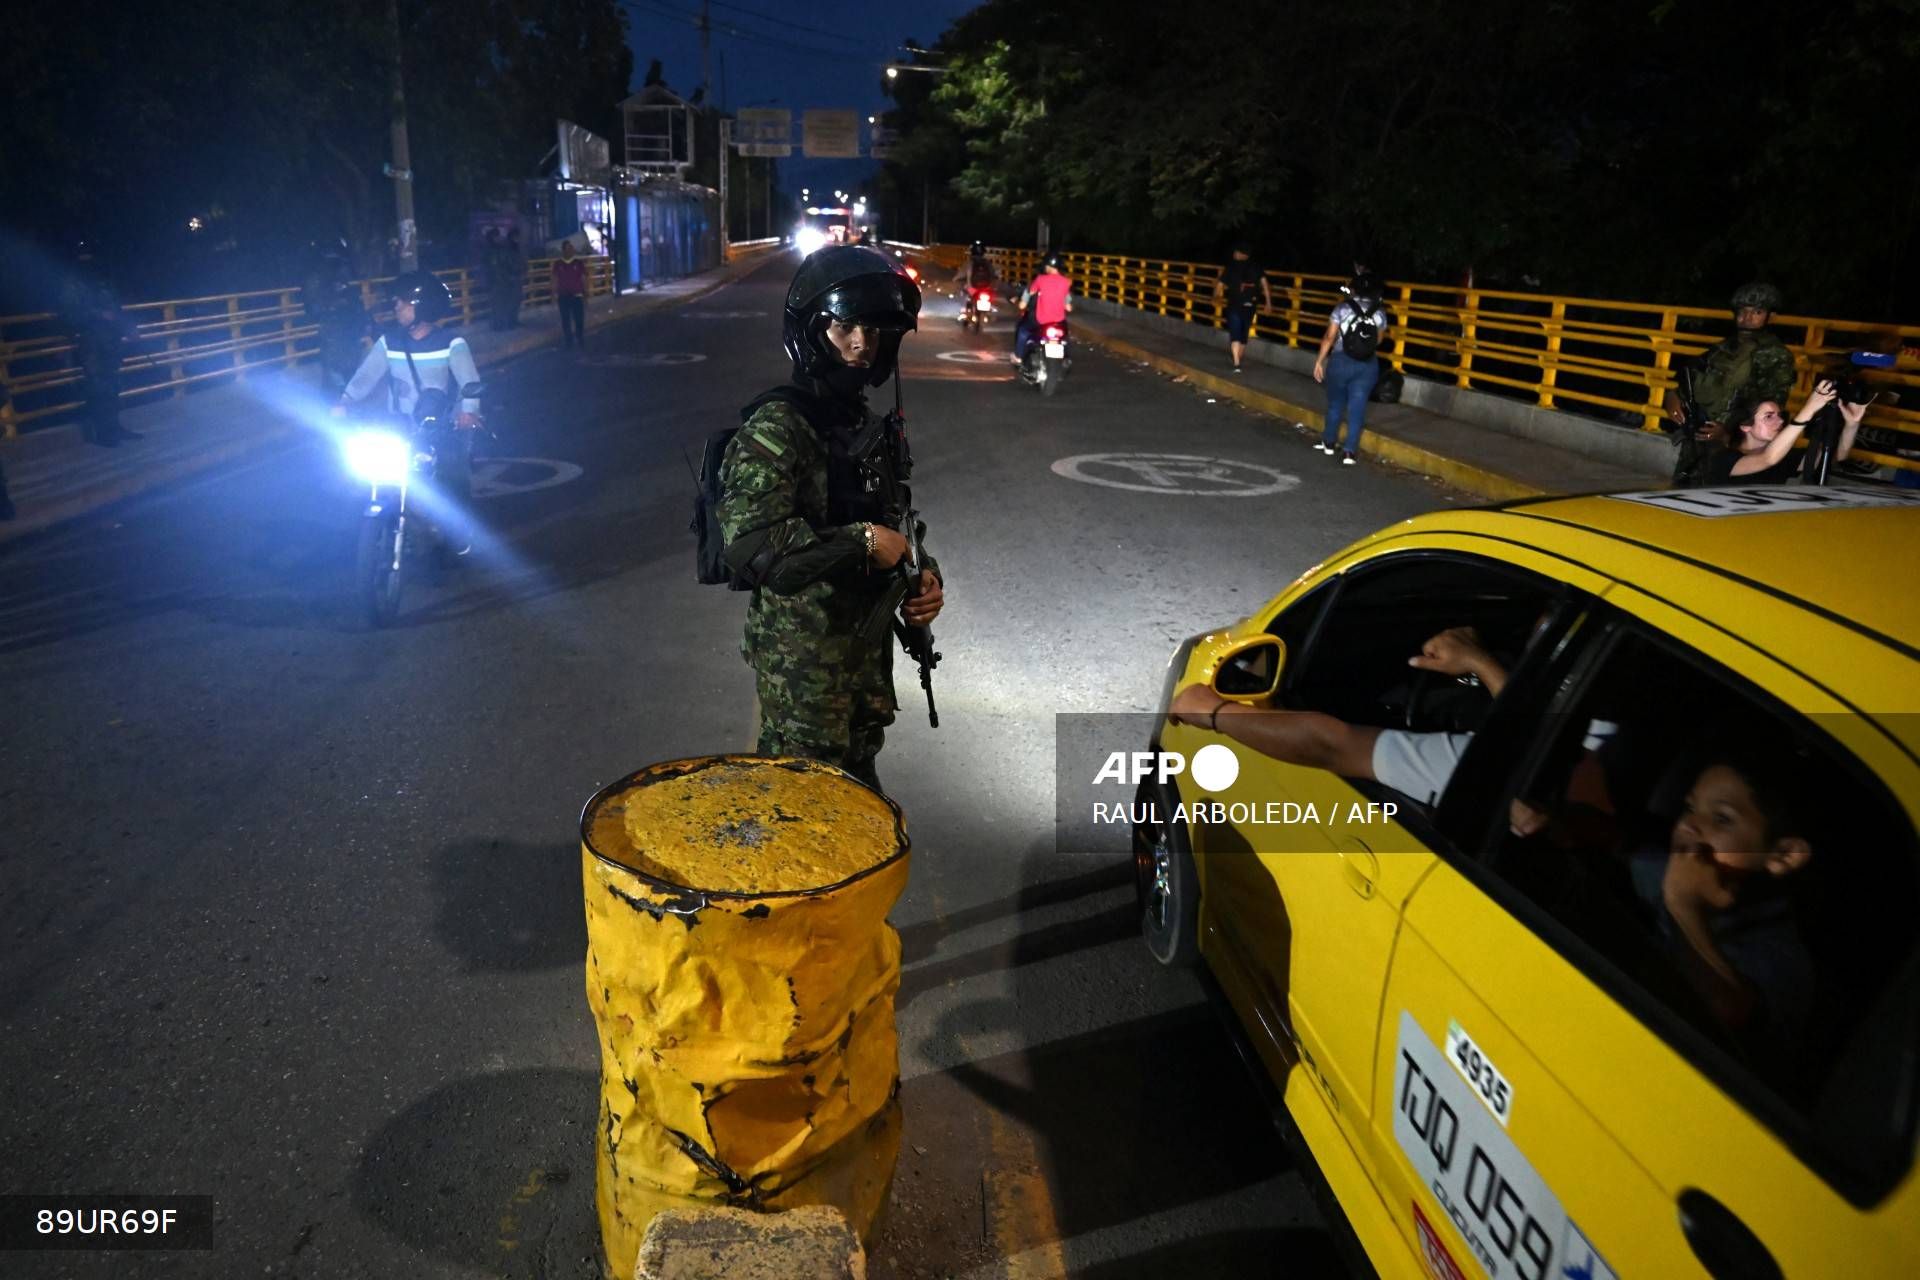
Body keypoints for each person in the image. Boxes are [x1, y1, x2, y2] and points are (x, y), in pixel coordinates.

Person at [716, 245, 946, 793]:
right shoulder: (778, 427)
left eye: (872, 330)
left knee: (860, 815)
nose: (862, 342)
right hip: (805, 679)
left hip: (862, 673)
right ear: (813, 332)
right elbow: (755, 549)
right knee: (796, 816)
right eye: (845, 327)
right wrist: (862, 541)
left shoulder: (862, 425)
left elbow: (894, 522)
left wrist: (923, 577)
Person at [1169, 623, 1511, 807]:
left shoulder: (1494, 767)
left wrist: (1212, 711)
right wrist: (1484, 666)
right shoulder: (1527, 765)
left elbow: (1331, 745)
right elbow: (1527, 728)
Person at [1628, 753, 1815, 1044]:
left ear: (1783, 855)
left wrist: (1684, 906)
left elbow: (1725, 1015)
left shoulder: (1782, 957)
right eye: (1690, 807)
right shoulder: (1655, 870)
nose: (1688, 824)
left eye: (1722, 819)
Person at [332, 272, 482, 554]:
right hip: (399, 426)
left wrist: (468, 412)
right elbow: (365, 377)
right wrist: (345, 402)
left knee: (452, 473)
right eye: (397, 302)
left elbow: (469, 384)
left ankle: (460, 530)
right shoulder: (389, 342)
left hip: (439, 429)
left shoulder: (452, 343)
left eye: (404, 303)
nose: (397, 308)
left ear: (424, 306)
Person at [1665, 282, 1797, 486]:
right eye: (1742, 311)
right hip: (1701, 434)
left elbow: (1771, 409)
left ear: (1770, 317)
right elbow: (1691, 377)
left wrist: (1728, 433)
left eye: (1757, 312)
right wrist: (1673, 396)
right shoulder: (1723, 348)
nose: (1747, 317)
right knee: (1684, 487)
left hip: (1737, 446)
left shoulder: (1775, 355)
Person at [1695, 380, 1865, 486]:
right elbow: (1768, 459)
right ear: (1746, 426)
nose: (1781, 421)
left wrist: (1852, 424)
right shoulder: (1723, 458)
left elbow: (1837, 456)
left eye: (1779, 415)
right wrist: (1809, 408)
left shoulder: (1783, 456)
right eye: (1769, 417)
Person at [59, 240, 134, 448]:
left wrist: (126, 326)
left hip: (110, 340)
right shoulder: (73, 284)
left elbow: (116, 307)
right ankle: (102, 432)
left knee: (113, 385)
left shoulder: (103, 281)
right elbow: (69, 314)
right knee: (97, 387)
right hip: (90, 342)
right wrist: (99, 314)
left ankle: (115, 427)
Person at [1313, 273, 1389, 465]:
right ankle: (1349, 452)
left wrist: (1319, 361)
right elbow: (1378, 340)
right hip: (1367, 365)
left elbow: (1329, 337)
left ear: (1354, 289)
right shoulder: (1380, 312)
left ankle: (1329, 443)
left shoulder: (1343, 308)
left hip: (1341, 361)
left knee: (1335, 404)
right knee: (1358, 408)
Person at [1213, 244, 1272, 373]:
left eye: (1235, 252)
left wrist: (1216, 296)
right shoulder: (1257, 267)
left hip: (1234, 304)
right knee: (1244, 333)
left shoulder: (1231, 267)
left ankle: (1236, 362)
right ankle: (1237, 359)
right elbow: (1265, 285)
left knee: (1235, 333)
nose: (1234, 254)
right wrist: (1268, 303)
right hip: (1250, 305)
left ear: (1240, 254)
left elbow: (1219, 285)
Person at [1012, 252, 1073, 367]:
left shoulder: (1040, 279)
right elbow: (1068, 307)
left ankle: (1018, 357)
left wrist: (1022, 303)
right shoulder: (1066, 282)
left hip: (1041, 320)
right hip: (1059, 322)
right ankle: (1066, 358)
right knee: (1065, 336)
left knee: (1023, 331)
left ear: (1047, 266)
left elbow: (1029, 292)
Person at [553, 242, 589, 350]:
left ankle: (580, 338)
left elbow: (583, 278)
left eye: (572, 248)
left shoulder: (578, 263)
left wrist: (585, 293)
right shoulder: (558, 264)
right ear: (563, 250)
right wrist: (554, 293)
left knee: (579, 319)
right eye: (569, 248)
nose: (571, 250)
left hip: (577, 295)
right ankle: (568, 341)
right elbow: (555, 279)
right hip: (563, 296)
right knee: (565, 319)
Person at [503, 230, 526, 328]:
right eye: (516, 237)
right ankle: (510, 321)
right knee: (511, 301)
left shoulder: (517, 248)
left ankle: (514, 320)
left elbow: (521, 261)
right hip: (511, 279)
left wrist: (523, 269)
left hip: (517, 278)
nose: (517, 239)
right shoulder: (508, 249)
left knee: (517, 300)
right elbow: (508, 264)